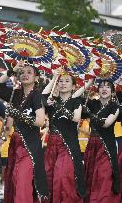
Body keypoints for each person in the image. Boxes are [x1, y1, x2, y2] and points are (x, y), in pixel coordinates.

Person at [0, 61, 49, 202]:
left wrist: (18, 114)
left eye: (29, 72)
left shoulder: (37, 95)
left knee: (23, 181)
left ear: (36, 78)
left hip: (30, 146)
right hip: (15, 145)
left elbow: (40, 121)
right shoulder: (15, 94)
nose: (24, 74)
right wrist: (11, 70)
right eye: (22, 72)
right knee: (14, 181)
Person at [74, 79, 121, 202]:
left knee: (104, 176)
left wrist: (90, 113)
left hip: (107, 147)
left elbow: (106, 124)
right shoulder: (92, 103)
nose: (104, 89)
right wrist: (89, 82)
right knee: (90, 178)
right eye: (101, 87)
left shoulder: (115, 106)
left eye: (108, 87)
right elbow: (74, 97)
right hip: (92, 146)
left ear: (112, 91)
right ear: (97, 89)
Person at [42, 71, 85, 202]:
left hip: (68, 146)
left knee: (62, 178)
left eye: (67, 81)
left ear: (73, 87)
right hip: (51, 146)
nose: (63, 83)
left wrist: (59, 106)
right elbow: (42, 96)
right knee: (48, 177)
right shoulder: (51, 100)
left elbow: (76, 118)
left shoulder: (76, 102)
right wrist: (54, 77)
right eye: (61, 81)